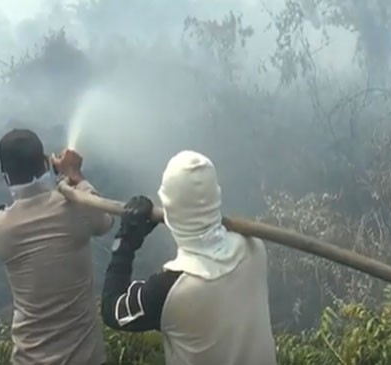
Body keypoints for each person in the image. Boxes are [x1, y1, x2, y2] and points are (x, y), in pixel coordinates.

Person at [101, 150, 276, 365]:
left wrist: (126, 241)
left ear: (168, 208)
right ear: (217, 196)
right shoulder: (254, 248)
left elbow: (112, 310)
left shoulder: (169, 292)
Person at [0, 129, 114, 365]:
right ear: (46, 162)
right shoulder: (76, 209)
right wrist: (75, 175)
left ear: (6, 178)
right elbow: (105, 219)